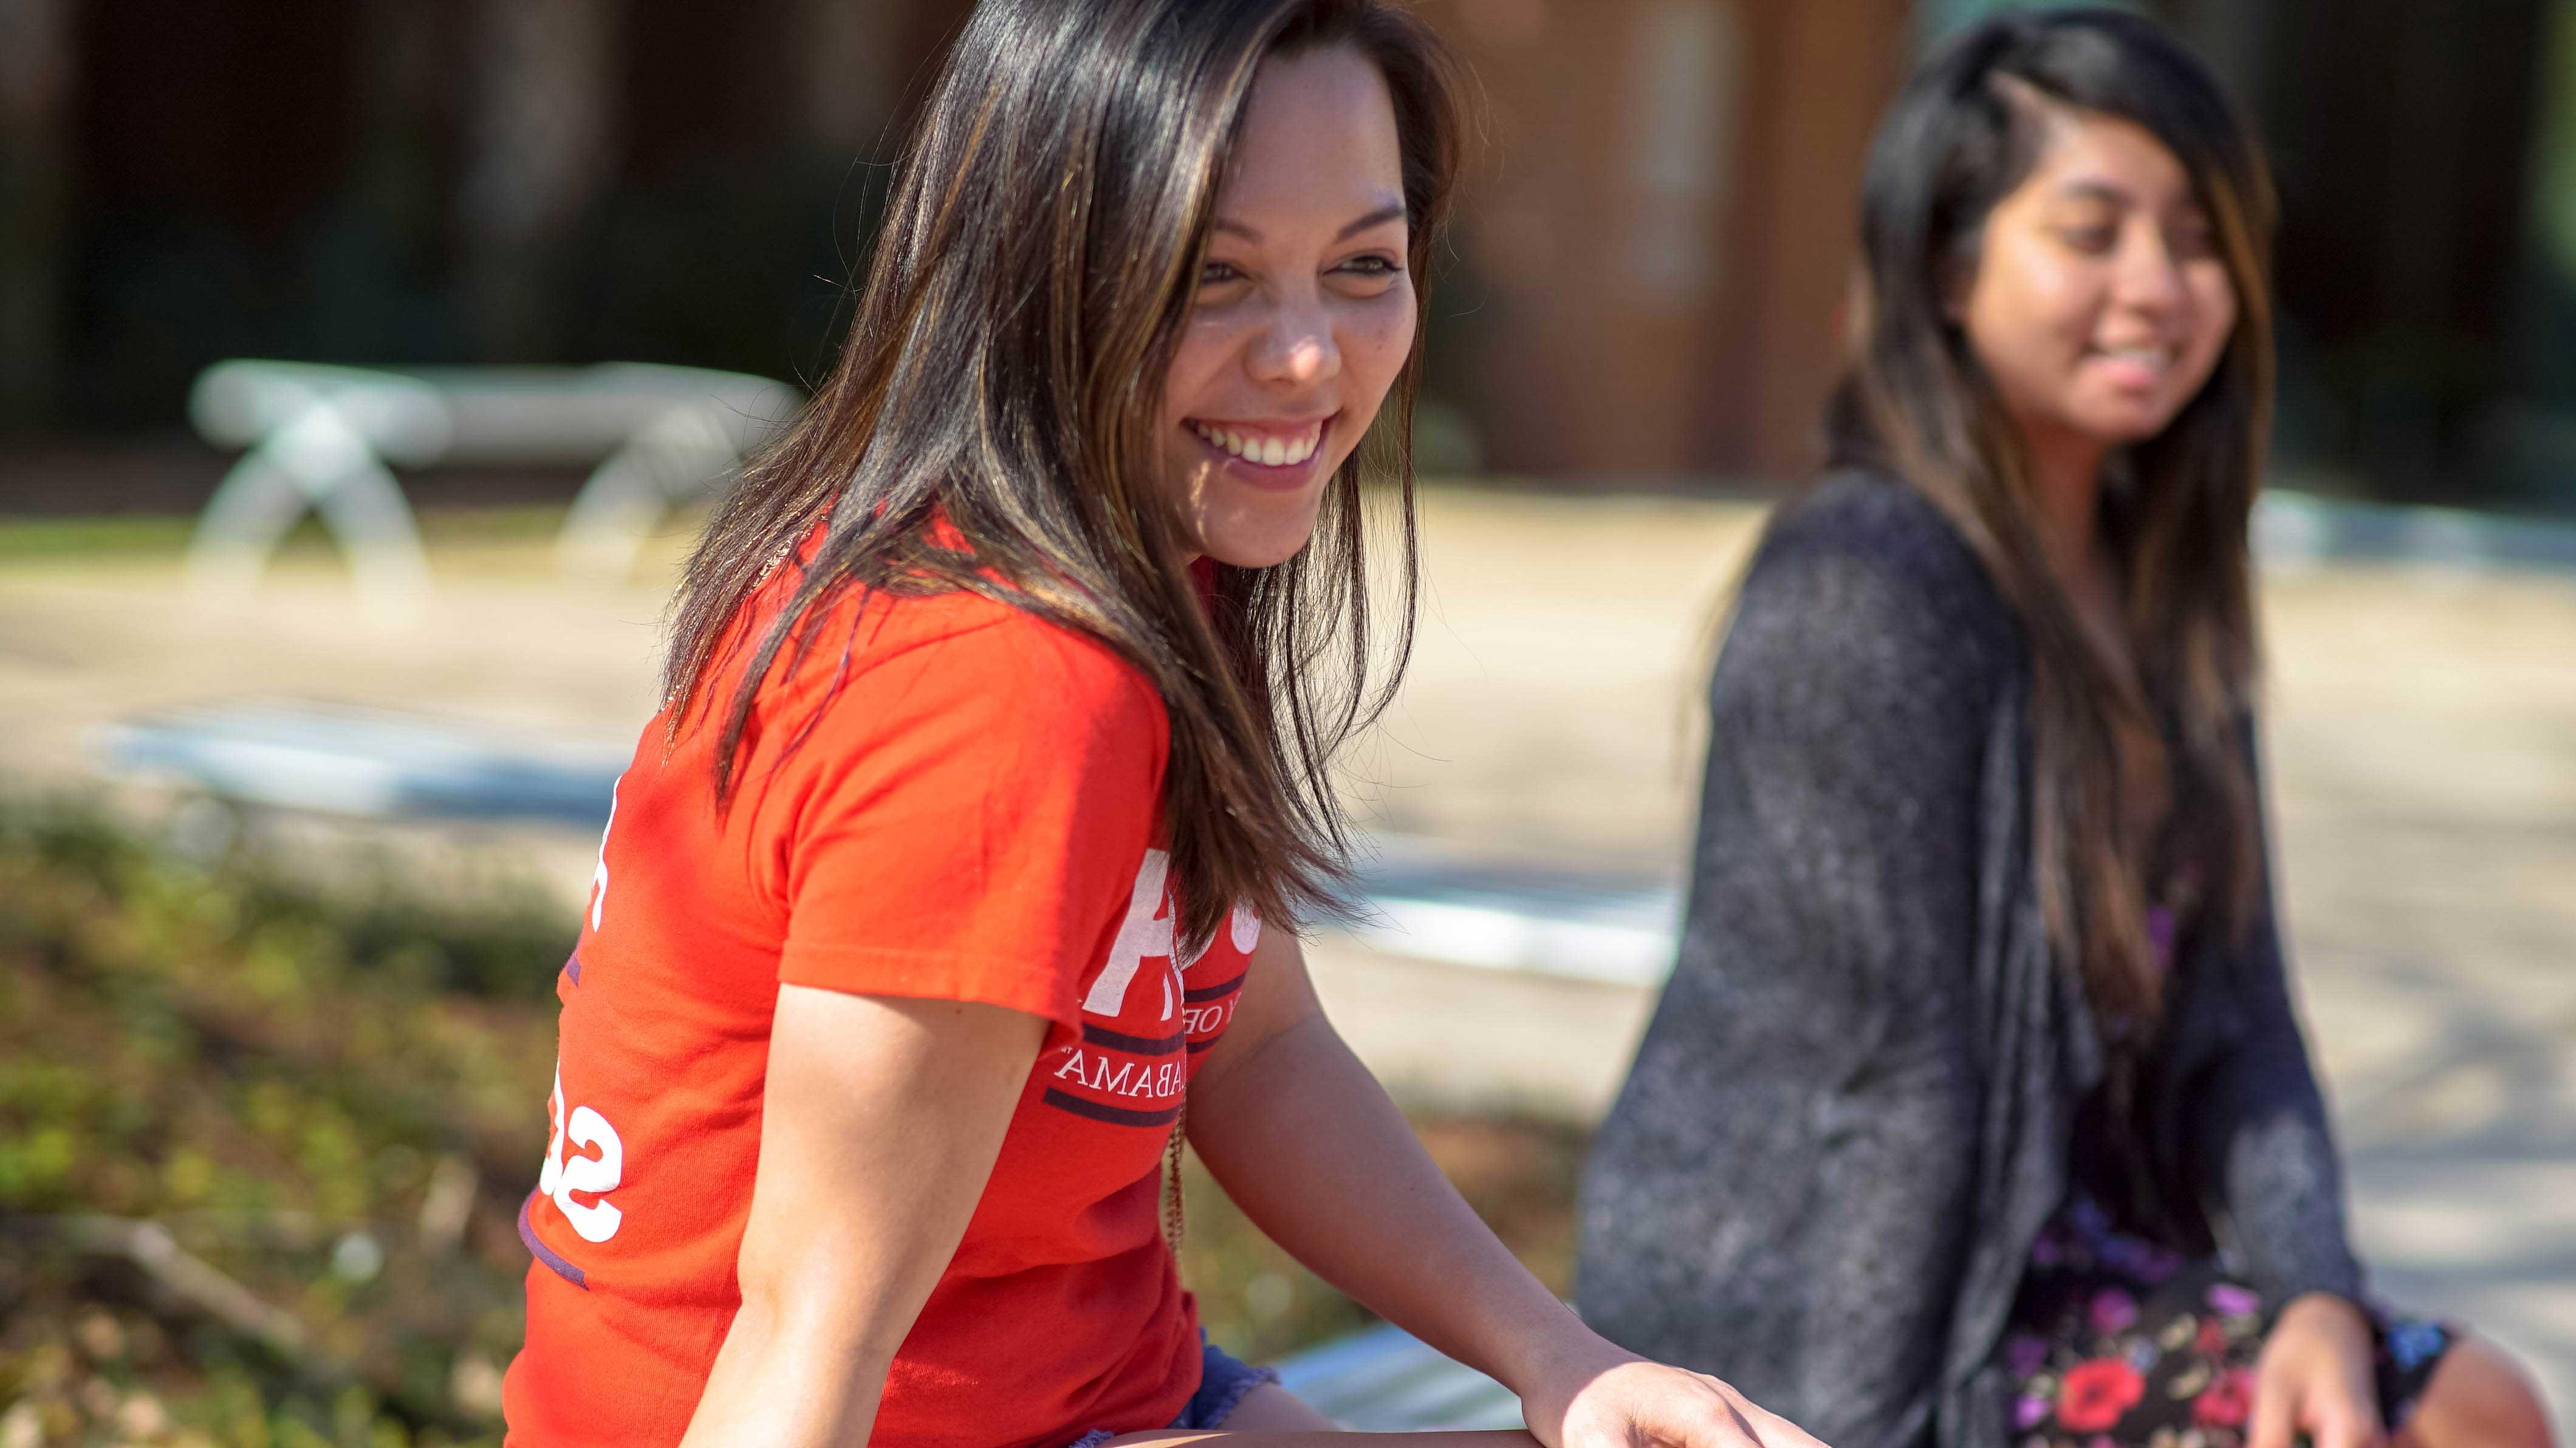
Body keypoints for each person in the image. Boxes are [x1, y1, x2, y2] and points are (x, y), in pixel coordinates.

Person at [501, 3, 1825, 1446]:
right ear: (1038, 269)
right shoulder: (994, 690)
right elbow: (810, 1332)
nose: (1310, 360)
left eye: (1363, 267)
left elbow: (1254, 1049)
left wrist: (1558, 1359)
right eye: (1216, 277)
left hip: (1111, 1388)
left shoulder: (1147, 563)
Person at [1574, 12, 2556, 1448]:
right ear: (1947, 263)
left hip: (2055, 1262)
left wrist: (2314, 1296)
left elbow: (2244, 1013)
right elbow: (1890, 1086)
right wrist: (1856, 1431)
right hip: (1813, 1304)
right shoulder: (1864, 580)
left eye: (2197, 238)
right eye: (2089, 232)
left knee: (2461, 1406)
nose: (2157, 286)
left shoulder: (2161, 583)